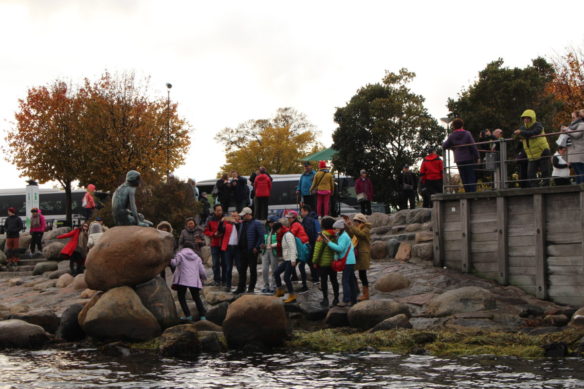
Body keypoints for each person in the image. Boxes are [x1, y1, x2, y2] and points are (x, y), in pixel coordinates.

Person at [170, 241, 207, 321]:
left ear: (183, 247)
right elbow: (202, 271)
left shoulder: (180, 254)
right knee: (196, 298)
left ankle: (188, 316)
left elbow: (174, 263)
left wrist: (169, 260)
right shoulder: (197, 257)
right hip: (193, 281)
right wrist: (204, 277)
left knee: (181, 298)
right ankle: (202, 317)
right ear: (192, 248)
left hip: (182, 280)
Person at [513, 109, 551, 187]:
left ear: (532, 118)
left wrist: (521, 133)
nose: (526, 120)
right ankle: (534, 189)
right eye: (524, 118)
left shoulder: (538, 125)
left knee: (545, 171)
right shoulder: (522, 128)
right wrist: (516, 135)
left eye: (528, 118)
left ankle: (546, 187)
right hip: (531, 154)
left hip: (542, 151)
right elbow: (514, 136)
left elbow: (533, 132)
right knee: (530, 174)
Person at [324, 219, 357, 306]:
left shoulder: (343, 236)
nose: (334, 230)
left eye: (335, 229)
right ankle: (354, 300)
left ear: (339, 229)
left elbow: (340, 248)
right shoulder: (344, 235)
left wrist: (329, 243)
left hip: (347, 261)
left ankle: (346, 300)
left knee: (345, 280)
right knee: (351, 281)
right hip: (350, 261)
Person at [442, 118, 479, 192]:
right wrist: (477, 156)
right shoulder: (467, 133)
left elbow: (444, 145)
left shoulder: (452, 135)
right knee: (471, 175)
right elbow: (473, 146)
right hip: (468, 157)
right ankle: (472, 192)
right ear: (462, 125)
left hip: (459, 159)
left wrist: (452, 147)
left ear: (454, 126)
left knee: (464, 176)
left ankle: (467, 192)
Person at [234, 207, 265, 294]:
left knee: (252, 270)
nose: (242, 217)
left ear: (248, 214)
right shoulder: (242, 223)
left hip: (252, 250)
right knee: (242, 270)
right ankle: (241, 287)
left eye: (243, 215)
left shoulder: (257, 223)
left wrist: (257, 247)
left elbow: (262, 236)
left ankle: (251, 288)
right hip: (242, 250)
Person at [312, 217, 339, 307]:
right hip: (333, 262)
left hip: (323, 263)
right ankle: (336, 299)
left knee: (324, 281)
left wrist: (314, 261)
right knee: (334, 280)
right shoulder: (336, 235)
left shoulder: (322, 235)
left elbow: (318, 250)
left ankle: (325, 299)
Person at [345, 213, 371, 301]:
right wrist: (348, 227)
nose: (354, 222)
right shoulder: (357, 228)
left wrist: (351, 226)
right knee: (354, 272)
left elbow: (360, 234)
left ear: (360, 221)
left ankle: (366, 294)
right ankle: (356, 290)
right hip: (357, 254)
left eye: (355, 221)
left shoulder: (366, 229)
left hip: (363, 254)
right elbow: (351, 234)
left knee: (362, 275)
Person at [272, 222, 298, 303]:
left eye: (276, 231)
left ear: (279, 228)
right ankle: (280, 291)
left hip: (291, 259)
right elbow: (282, 244)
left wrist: (293, 260)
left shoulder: (288, 235)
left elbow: (293, 247)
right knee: (276, 273)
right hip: (287, 259)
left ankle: (292, 295)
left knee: (286, 277)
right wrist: (271, 245)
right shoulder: (283, 234)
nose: (276, 232)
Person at [286, 210, 310, 292]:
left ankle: (304, 285)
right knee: (296, 264)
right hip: (301, 247)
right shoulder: (294, 224)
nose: (288, 219)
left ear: (294, 217)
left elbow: (291, 234)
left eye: (289, 218)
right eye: (288, 218)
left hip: (302, 247)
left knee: (300, 266)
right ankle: (295, 278)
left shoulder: (295, 224)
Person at [204, 205, 225, 287]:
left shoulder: (225, 218)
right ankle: (216, 280)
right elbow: (206, 230)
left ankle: (224, 280)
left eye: (221, 210)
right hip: (214, 243)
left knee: (225, 263)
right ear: (214, 211)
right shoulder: (210, 219)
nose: (220, 212)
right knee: (215, 263)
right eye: (218, 210)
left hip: (224, 243)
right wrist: (213, 234)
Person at [219, 212, 240, 292]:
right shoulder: (227, 225)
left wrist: (236, 222)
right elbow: (220, 230)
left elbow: (239, 227)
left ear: (238, 217)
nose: (234, 217)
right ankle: (228, 285)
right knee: (228, 268)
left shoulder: (240, 224)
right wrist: (221, 222)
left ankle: (241, 285)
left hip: (237, 248)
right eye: (232, 216)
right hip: (228, 247)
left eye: (235, 216)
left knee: (239, 267)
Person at [300, 204, 320, 283]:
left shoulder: (307, 219)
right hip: (315, 242)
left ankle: (314, 279)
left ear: (306, 211)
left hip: (311, 243)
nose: (301, 213)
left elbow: (309, 232)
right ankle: (316, 277)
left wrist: (308, 242)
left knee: (307, 262)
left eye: (301, 211)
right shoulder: (314, 218)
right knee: (311, 261)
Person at [563, 109, 584, 184]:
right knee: (577, 171)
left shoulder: (582, 124)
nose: (572, 119)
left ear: (579, 117)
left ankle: (581, 188)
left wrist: (567, 130)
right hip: (573, 151)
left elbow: (577, 135)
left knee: (581, 170)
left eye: (573, 117)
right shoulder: (572, 126)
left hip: (579, 151)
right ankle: (579, 188)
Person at [261, 215, 279, 294]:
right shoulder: (265, 230)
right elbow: (261, 239)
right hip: (265, 251)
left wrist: (272, 245)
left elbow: (280, 241)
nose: (270, 224)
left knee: (274, 269)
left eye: (272, 222)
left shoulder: (278, 230)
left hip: (274, 251)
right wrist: (261, 245)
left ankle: (273, 286)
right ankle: (266, 286)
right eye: (269, 222)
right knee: (264, 269)